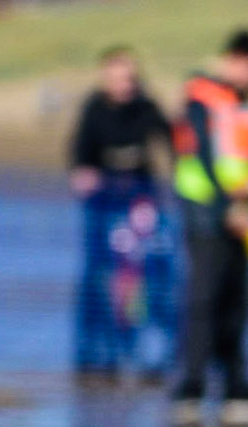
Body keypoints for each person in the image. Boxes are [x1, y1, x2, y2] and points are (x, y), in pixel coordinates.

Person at [170, 29, 248, 427]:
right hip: (206, 214)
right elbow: (202, 155)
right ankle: (190, 389)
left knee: (238, 304)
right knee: (204, 301)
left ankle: (237, 388)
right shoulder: (201, 96)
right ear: (236, 59)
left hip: (242, 215)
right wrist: (226, 205)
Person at [67, 46, 174, 379]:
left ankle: (150, 359)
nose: (124, 84)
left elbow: (172, 142)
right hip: (103, 203)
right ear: (105, 78)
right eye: (117, 77)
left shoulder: (147, 106)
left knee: (151, 279)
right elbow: (79, 155)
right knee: (100, 281)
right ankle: (98, 358)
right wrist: (83, 173)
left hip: (141, 198)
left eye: (129, 77)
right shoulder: (93, 108)